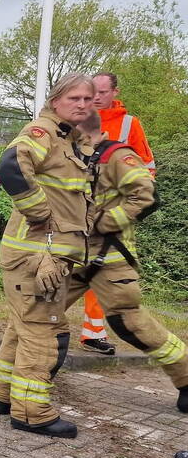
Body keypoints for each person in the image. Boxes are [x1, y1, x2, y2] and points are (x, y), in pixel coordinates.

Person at [0, 73, 97, 439]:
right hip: (36, 257)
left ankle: (3, 396)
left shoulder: (69, 140)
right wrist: (41, 216)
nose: (82, 104)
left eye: (88, 99)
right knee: (45, 332)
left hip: (43, 256)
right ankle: (32, 413)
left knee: (22, 328)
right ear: (55, 100)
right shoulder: (44, 132)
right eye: (74, 98)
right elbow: (10, 167)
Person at [65, 109, 188, 413]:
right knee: (41, 311)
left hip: (111, 257)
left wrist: (108, 222)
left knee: (129, 323)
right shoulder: (75, 157)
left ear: (85, 131)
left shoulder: (118, 155)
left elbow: (146, 196)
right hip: (74, 255)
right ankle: (32, 377)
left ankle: (186, 377)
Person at [74, 72, 157, 355]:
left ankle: (92, 333)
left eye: (101, 92)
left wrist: (125, 209)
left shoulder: (128, 124)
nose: (96, 97)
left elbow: (147, 169)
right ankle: (44, 329)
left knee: (103, 271)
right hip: (79, 210)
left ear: (114, 92)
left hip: (111, 215)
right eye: (91, 91)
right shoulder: (78, 119)